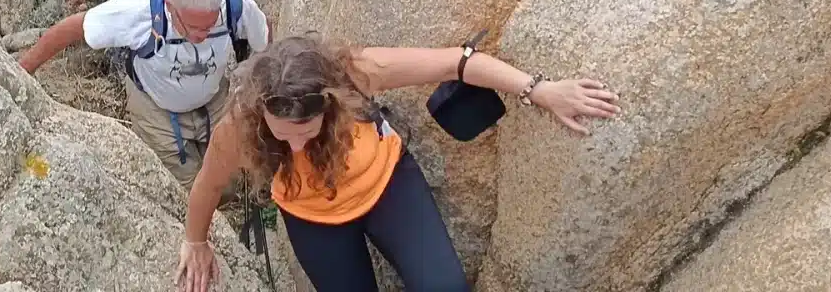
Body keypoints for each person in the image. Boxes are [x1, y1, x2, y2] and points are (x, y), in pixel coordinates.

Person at [174, 34, 622, 292]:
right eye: (281, 133)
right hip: (313, 217)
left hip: (388, 186)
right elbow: (209, 185)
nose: (293, 148)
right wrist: (196, 242)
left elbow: (457, 63)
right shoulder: (242, 121)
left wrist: (538, 90)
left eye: (306, 132)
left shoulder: (352, 73)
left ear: (329, 106)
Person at [18, 0, 271, 190]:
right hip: (156, 109)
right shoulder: (139, 9)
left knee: (227, 184)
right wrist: (21, 71)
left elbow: (264, 42)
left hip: (214, 100)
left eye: (209, 26)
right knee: (186, 189)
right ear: (170, 8)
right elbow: (76, 27)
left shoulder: (234, 5)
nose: (201, 36)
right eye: (192, 28)